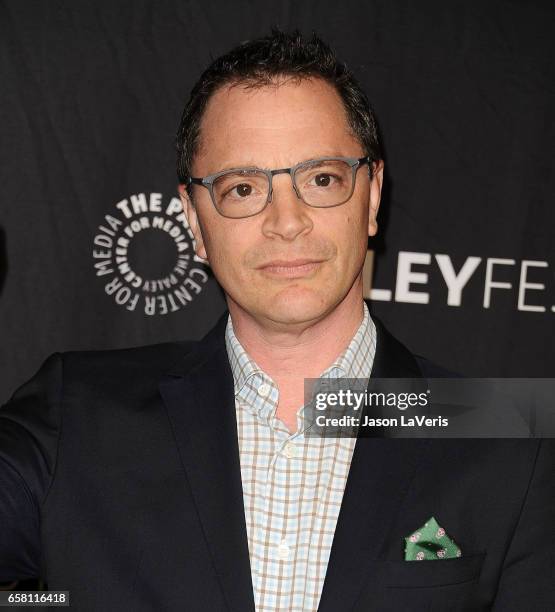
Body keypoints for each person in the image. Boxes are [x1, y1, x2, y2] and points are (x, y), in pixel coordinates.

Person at [0, 28, 553, 612]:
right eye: (242, 188)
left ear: (372, 196)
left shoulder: (508, 437)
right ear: (193, 219)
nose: (286, 221)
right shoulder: (76, 411)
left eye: (321, 179)